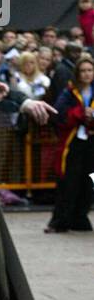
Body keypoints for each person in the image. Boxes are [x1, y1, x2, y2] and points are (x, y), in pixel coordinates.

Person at [47, 53, 94, 233]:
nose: (87, 74)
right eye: (83, 71)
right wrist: (81, 113)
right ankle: (61, 220)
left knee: (89, 182)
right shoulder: (69, 91)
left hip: (91, 142)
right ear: (77, 73)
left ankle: (80, 217)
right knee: (68, 181)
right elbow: (59, 114)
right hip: (72, 142)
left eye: (90, 70)